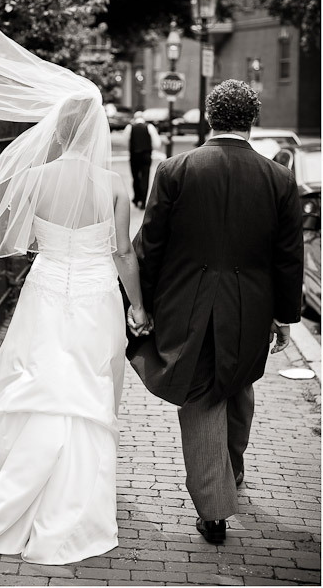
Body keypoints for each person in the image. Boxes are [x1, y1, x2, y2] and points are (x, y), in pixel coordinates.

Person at [0, 0, 150, 564]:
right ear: (93, 128)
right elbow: (122, 252)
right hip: (95, 290)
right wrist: (138, 306)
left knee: (33, 384)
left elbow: (18, 240)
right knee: (87, 391)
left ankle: (5, 499)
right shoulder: (114, 186)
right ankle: (73, 508)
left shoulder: (38, 177)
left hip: (47, 287)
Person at [131, 79, 303, 545]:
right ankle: (233, 472)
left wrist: (140, 307)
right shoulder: (279, 178)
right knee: (237, 385)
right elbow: (288, 258)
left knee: (204, 397)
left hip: (188, 306)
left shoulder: (174, 169)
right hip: (250, 309)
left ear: (209, 116)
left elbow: (150, 247)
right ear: (253, 118)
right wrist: (285, 316)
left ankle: (214, 509)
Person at [122, 111, 163, 208]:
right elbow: (156, 142)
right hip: (146, 154)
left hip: (134, 154)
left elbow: (124, 141)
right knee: (145, 176)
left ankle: (136, 198)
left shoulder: (130, 127)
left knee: (135, 176)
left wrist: (131, 147)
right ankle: (143, 201)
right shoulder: (149, 127)